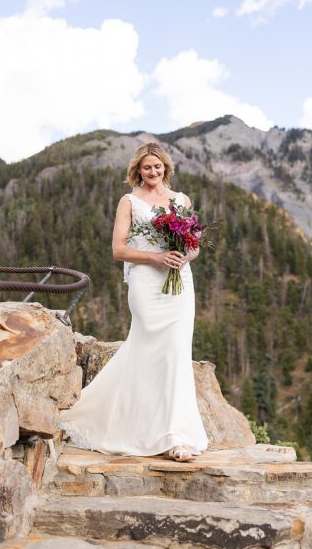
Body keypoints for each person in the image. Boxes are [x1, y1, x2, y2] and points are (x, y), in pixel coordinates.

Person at [59, 142, 209, 462]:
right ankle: (131, 425)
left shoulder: (181, 200)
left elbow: (195, 245)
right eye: (146, 168)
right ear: (137, 171)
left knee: (175, 354)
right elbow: (119, 250)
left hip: (179, 282)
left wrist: (185, 257)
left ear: (166, 168)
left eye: (157, 167)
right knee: (146, 349)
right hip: (145, 281)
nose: (152, 172)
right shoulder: (129, 202)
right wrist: (155, 257)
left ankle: (174, 435)